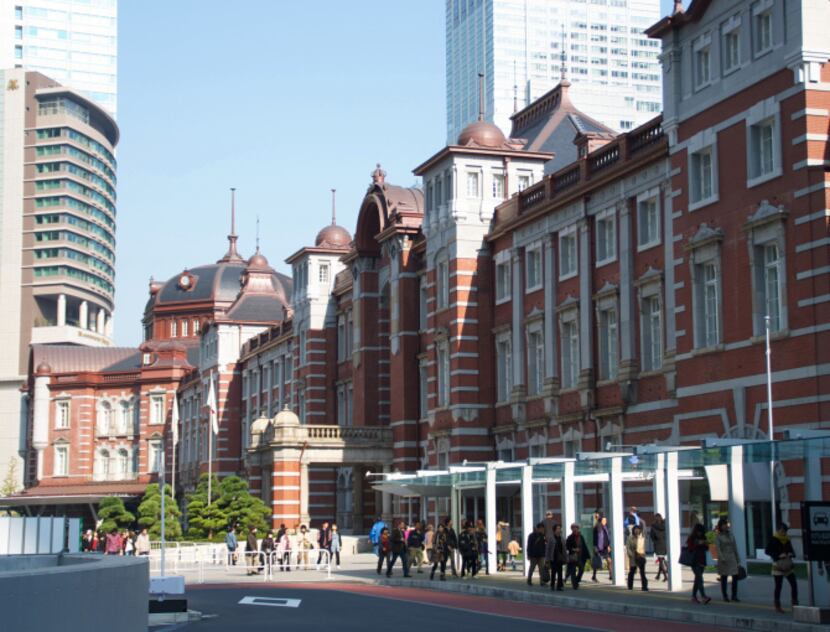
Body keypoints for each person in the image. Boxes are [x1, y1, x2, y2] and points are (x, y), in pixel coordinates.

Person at [766, 522, 798, 613]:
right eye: (782, 530)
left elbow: (791, 550)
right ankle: (777, 605)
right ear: (779, 530)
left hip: (787, 565)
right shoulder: (774, 539)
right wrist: (778, 555)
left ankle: (795, 604)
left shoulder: (787, 539)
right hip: (778, 565)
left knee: (794, 584)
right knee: (778, 586)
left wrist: (791, 554)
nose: (783, 532)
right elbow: (767, 551)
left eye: (785, 531)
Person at [715, 518, 740, 602]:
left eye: (726, 524)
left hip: (732, 558)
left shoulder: (731, 535)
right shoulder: (718, 536)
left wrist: (738, 559)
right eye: (724, 524)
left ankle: (734, 595)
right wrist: (722, 558)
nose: (726, 526)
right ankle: (725, 596)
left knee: (735, 577)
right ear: (720, 526)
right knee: (724, 577)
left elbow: (735, 547)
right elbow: (718, 549)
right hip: (724, 559)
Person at [686, 523, 711, 604]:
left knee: (697, 579)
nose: (699, 533)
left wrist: (705, 544)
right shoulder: (692, 538)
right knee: (700, 579)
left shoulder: (703, 537)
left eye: (701, 531)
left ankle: (693, 597)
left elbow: (707, 548)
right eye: (698, 531)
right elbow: (690, 548)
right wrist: (697, 544)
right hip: (694, 561)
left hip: (702, 560)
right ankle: (703, 596)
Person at [565, 523, 590, 589]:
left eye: (576, 528)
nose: (575, 529)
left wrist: (588, 555)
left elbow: (584, 546)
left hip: (581, 556)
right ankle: (575, 585)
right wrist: (574, 549)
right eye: (573, 528)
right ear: (572, 529)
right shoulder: (570, 537)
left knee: (581, 569)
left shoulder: (581, 537)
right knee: (573, 571)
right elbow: (567, 546)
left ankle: (577, 580)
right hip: (573, 556)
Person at [626, 524, 648, 591]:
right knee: (632, 572)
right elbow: (628, 547)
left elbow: (644, 547)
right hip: (633, 556)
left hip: (641, 556)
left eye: (638, 530)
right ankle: (630, 586)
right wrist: (631, 554)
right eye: (635, 530)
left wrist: (641, 553)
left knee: (642, 572)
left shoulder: (642, 538)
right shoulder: (630, 537)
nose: (637, 531)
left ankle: (644, 587)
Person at [546, 523, 566, 591]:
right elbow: (548, 548)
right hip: (553, 557)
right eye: (557, 528)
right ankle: (552, 585)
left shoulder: (562, 538)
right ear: (554, 530)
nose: (559, 530)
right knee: (553, 572)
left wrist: (565, 557)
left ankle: (559, 586)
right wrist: (547, 558)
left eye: (559, 528)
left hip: (560, 557)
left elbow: (564, 548)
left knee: (560, 572)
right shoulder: (551, 538)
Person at [592, 514, 612, 582]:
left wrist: (608, 545)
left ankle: (611, 575)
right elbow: (594, 538)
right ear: (601, 521)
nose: (605, 521)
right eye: (604, 520)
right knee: (597, 562)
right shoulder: (597, 527)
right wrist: (595, 547)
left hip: (605, 547)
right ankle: (594, 576)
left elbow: (607, 537)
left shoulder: (605, 528)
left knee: (609, 561)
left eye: (606, 520)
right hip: (598, 547)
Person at [650, 514, 667, 582]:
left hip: (657, 544)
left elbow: (652, 536)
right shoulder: (665, 526)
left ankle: (665, 576)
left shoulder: (653, 526)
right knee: (661, 560)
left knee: (660, 561)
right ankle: (658, 575)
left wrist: (655, 541)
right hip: (664, 544)